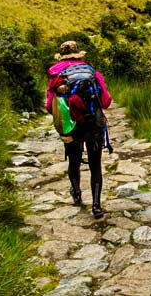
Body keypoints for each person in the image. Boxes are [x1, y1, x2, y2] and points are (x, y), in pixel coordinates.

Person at [46, 41, 112, 219]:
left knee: (74, 160)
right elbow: (106, 101)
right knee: (95, 164)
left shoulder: (56, 75)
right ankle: (97, 206)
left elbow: (47, 106)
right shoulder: (92, 72)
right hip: (94, 124)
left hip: (71, 126)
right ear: (79, 55)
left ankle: (76, 194)